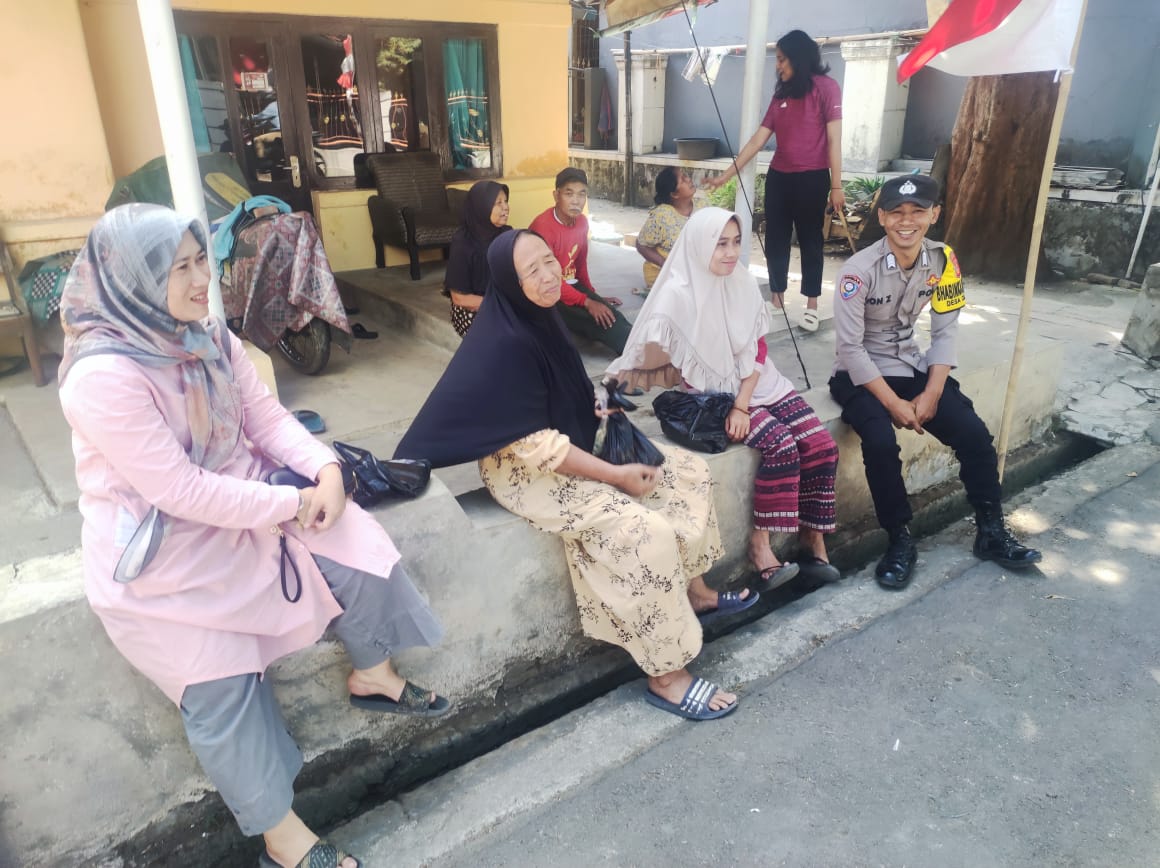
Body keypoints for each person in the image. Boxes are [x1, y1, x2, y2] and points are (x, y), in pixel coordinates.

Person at [57, 205, 448, 868]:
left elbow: (265, 419)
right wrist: (291, 502)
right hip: (167, 557)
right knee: (220, 685)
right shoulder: (102, 378)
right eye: (180, 269)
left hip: (250, 500)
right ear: (130, 284)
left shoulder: (208, 335)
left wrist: (326, 470)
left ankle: (373, 673)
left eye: (201, 261)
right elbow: (179, 490)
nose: (201, 281)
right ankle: (282, 838)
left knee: (358, 548)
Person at [395, 229, 754, 721]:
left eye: (549, 261)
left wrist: (598, 404)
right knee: (640, 531)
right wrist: (615, 475)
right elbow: (537, 445)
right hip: (528, 472)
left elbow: (562, 388)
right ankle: (667, 675)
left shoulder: (542, 316)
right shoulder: (503, 343)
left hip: (569, 444)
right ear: (510, 281)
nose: (548, 276)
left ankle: (697, 593)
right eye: (532, 270)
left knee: (686, 472)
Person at [608, 208, 840, 593]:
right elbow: (664, 356)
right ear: (700, 246)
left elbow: (758, 348)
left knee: (821, 445)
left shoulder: (741, 281)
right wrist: (619, 388)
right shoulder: (677, 294)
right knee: (781, 446)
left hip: (757, 384)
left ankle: (811, 539)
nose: (731, 253)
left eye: (735, 242)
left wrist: (743, 402)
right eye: (720, 244)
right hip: (714, 397)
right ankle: (760, 547)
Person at [828, 174, 1042, 590]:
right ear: (882, 217)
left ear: (934, 214)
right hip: (859, 374)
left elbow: (945, 332)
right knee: (879, 441)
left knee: (973, 432)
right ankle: (899, 540)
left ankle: (991, 529)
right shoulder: (858, 271)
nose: (906, 221)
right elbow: (851, 349)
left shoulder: (944, 261)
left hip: (910, 363)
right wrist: (893, 404)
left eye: (918, 212)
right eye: (896, 212)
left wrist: (933, 391)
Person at [705, 29, 844, 333]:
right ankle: (777, 299)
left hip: (813, 178)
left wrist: (836, 186)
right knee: (776, 238)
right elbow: (758, 140)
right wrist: (726, 176)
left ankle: (811, 305)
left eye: (781, 59)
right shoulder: (781, 94)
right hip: (779, 177)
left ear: (797, 57)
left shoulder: (827, 88)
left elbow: (835, 141)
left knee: (810, 240)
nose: (777, 66)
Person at [529, 167, 633, 354]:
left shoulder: (582, 223)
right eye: (569, 194)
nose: (576, 201)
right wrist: (587, 302)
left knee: (611, 314)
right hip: (545, 291)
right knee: (597, 320)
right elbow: (548, 279)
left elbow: (579, 265)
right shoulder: (543, 227)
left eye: (582, 194)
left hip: (567, 285)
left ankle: (640, 347)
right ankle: (636, 352)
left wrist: (593, 296)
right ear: (556, 195)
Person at [443, 180, 511, 337]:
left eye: (506, 201)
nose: (505, 207)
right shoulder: (463, 243)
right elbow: (460, 298)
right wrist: (499, 305)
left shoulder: (506, 234)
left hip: (502, 302)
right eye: (498, 203)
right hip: (472, 309)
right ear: (481, 207)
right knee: (505, 333)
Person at [635, 167, 705, 292]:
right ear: (674, 194)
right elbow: (641, 244)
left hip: (691, 271)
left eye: (686, 176)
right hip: (664, 275)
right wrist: (666, 264)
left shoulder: (702, 206)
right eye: (682, 180)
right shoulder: (662, 215)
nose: (688, 179)